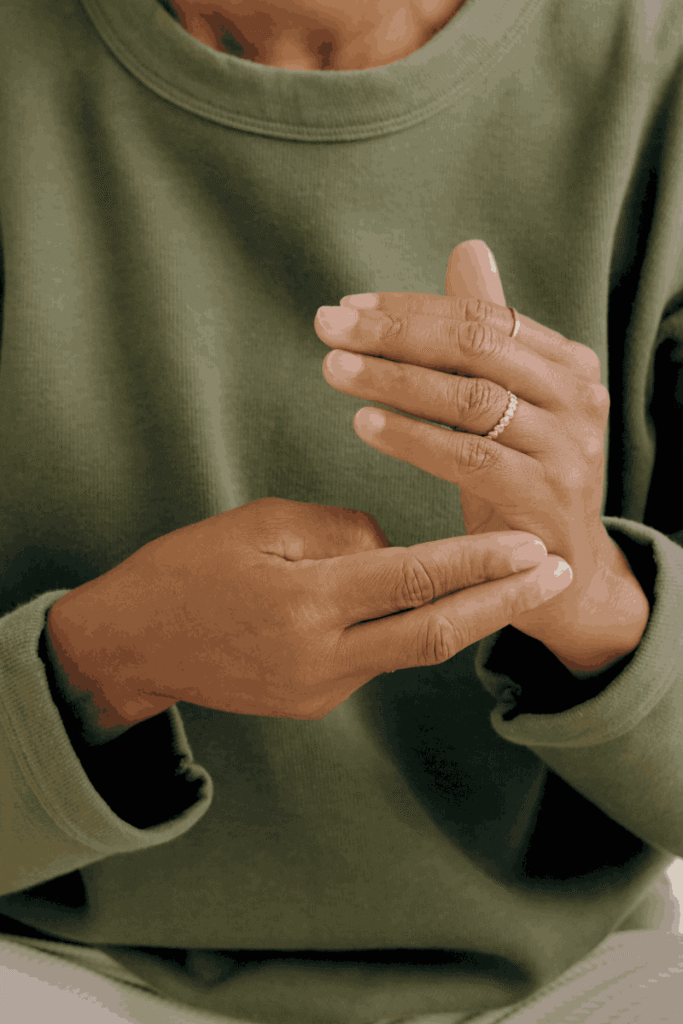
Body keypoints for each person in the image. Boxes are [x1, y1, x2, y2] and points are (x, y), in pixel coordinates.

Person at [1, 0, 682, 1022]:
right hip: (45, 963)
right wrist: (106, 664)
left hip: (578, 981)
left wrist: (583, 592)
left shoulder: (653, 73)